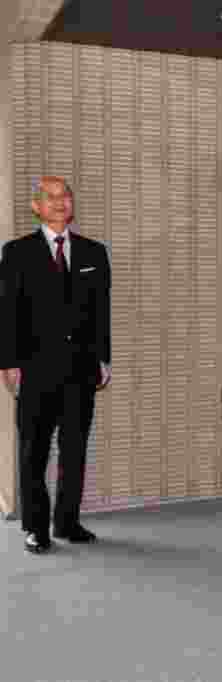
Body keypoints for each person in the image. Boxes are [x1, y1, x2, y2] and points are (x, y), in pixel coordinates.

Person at [0, 176, 111, 554]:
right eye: (50, 197)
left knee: (74, 450)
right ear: (36, 206)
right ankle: (36, 527)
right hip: (35, 369)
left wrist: (103, 358)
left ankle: (67, 521)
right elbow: (7, 313)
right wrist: (9, 363)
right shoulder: (17, 252)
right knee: (34, 452)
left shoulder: (94, 253)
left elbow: (101, 312)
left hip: (81, 369)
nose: (60, 202)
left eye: (65, 195)